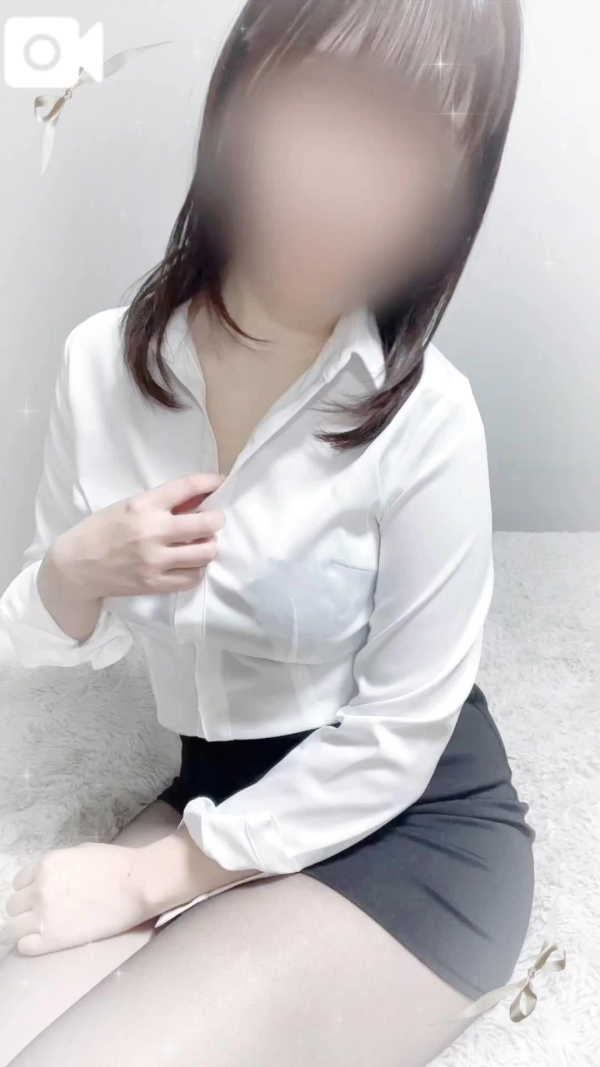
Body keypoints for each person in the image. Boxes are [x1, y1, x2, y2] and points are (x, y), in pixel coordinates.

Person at [0, 2, 536, 1064]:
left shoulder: (430, 418)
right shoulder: (99, 367)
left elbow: (398, 736)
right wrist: (74, 568)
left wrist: (149, 877)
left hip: (410, 826)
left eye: (418, 130)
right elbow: (43, 640)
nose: (353, 173)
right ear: (242, 88)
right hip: (220, 792)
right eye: (323, 90)